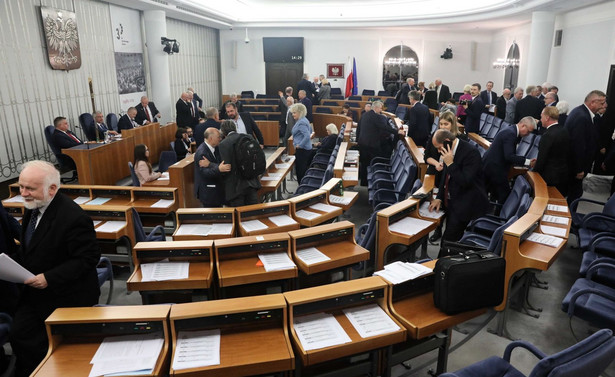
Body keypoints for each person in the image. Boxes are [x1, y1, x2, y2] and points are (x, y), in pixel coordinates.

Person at [10, 160, 100, 377]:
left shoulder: (74, 217)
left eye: (29, 188)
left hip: (65, 294)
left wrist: (49, 278)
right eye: (21, 187)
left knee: (42, 344)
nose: (23, 193)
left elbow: (88, 259)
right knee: (20, 336)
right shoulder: (33, 207)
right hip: (35, 292)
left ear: (52, 189)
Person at [428, 130, 489, 256]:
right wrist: (439, 197)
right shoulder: (448, 151)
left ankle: (440, 269)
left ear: (447, 142)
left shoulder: (471, 152)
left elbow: (465, 181)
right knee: (447, 240)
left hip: (466, 203)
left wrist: (450, 163)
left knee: (448, 241)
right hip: (452, 199)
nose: (439, 152)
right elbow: (445, 176)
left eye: (439, 148)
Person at [423, 111, 465, 244]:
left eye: (446, 124)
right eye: (441, 123)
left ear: (452, 125)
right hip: (437, 171)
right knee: (437, 202)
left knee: (449, 205)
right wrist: (436, 164)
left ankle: (448, 231)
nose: (443, 126)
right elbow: (426, 157)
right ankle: (437, 230)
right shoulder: (435, 136)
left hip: (452, 174)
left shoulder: (460, 139)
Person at [566, 90, 607, 204]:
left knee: (574, 194)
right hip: (575, 167)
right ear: (593, 102)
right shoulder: (582, 117)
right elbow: (578, 145)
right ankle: (570, 219)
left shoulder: (580, 112)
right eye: (602, 103)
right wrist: (579, 169)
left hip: (574, 165)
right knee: (574, 194)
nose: (603, 106)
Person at [482, 116, 536, 203]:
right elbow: (509, 156)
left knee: (491, 193)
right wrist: (528, 162)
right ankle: (498, 215)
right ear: (523, 125)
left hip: (492, 165)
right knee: (505, 197)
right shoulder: (511, 134)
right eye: (528, 131)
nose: (528, 134)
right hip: (495, 168)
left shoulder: (511, 130)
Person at [357, 100, 405, 186]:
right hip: (371, 144)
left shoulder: (365, 115)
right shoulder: (375, 117)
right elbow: (384, 127)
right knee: (372, 163)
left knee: (364, 163)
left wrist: (358, 140)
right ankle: (371, 183)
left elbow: (358, 128)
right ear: (376, 108)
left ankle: (364, 182)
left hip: (362, 143)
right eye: (380, 108)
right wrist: (397, 132)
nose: (381, 110)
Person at [219, 120, 261, 206]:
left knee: (238, 215)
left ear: (223, 132)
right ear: (235, 128)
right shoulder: (248, 137)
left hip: (235, 188)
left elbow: (226, 166)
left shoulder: (224, 144)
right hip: (251, 182)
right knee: (252, 214)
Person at [530, 106, 570, 196]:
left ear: (547, 118)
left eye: (541, 117)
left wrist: (533, 173)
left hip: (549, 176)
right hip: (562, 175)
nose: (541, 120)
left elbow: (542, 159)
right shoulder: (564, 130)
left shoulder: (548, 135)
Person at [194, 127, 231, 207]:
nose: (220, 139)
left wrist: (211, 164)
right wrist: (218, 169)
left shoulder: (216, 148)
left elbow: (222, 163)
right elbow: (205, 173)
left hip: (217, 189)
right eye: (218, 137)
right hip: (209, 193)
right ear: (211, 138)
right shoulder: (202, 152)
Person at [290, 103, 313, 183]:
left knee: (301, 171)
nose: (293, 114)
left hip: (303, 150)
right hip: (306, 149)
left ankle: (301, 191)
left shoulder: (301, 122)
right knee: (302, 170)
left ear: (300, 112)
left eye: (294, 112)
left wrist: (299, 145)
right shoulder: (304, 120)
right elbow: (310, 131)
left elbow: (307, 135)